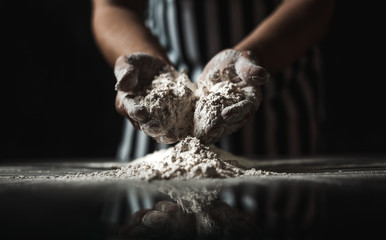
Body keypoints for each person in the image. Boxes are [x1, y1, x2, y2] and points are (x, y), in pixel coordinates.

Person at [91, 0, 335, 161]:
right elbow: (114, 5)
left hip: (276, 122)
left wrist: (256, 57)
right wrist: (151, 72)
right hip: (155, 129)